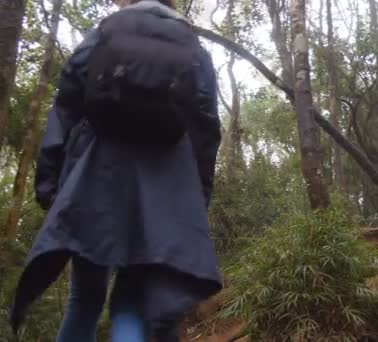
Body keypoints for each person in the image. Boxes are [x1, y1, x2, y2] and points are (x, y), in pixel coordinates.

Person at [9, 0, 223, 341]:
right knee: (129, 301)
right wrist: (198, 197)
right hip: (161, 196)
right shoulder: (193, 47)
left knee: (84, 300)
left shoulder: (105, 33)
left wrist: (50, 182)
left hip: (96, 179)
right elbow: (206, 128)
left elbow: (65, 107)